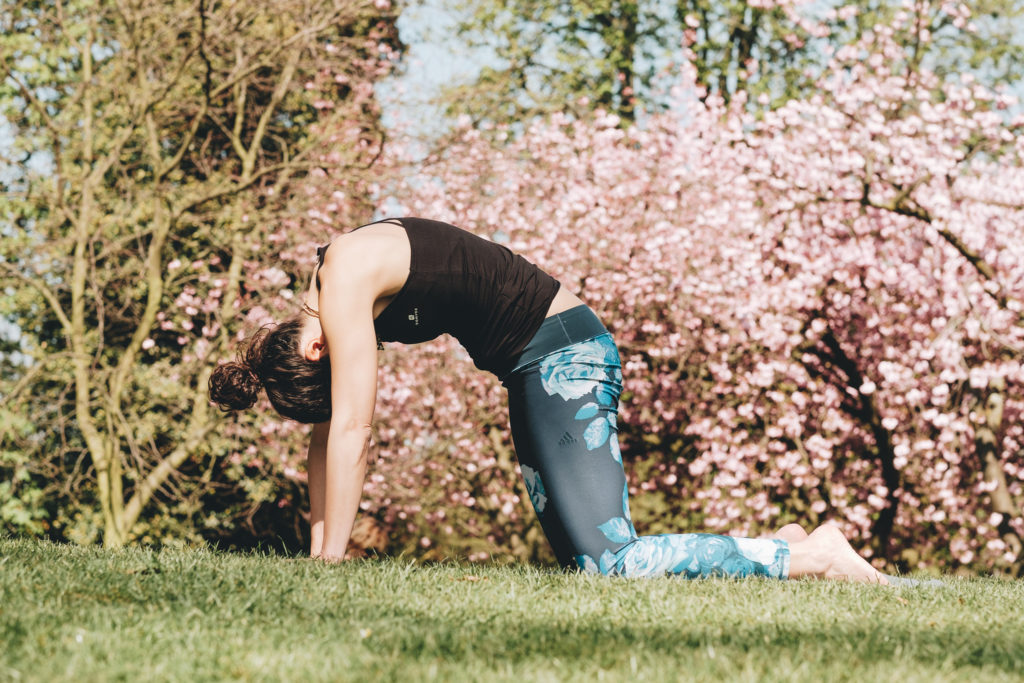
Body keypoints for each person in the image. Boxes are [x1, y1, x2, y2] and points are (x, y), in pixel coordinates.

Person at [209, 217, 890, 583]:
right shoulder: (331, 293)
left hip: (566, 356)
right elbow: (330, 434)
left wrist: (332, 563)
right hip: (532, 370)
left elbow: (354, 425)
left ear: (312, 351)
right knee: (591, 567)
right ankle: (786, 545)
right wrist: (319, 551)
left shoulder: (347, 275)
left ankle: (818, 558)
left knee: (614, 563)